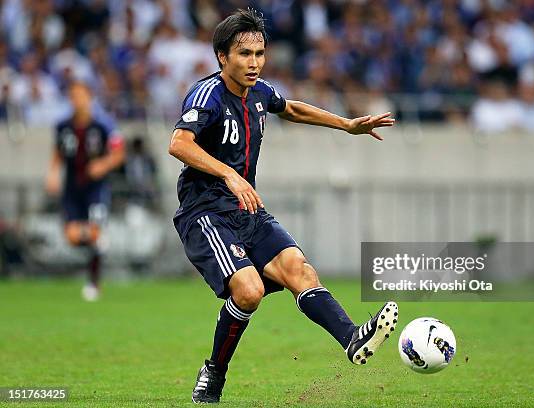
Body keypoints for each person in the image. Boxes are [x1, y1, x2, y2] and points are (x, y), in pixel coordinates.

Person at [168, 9, 397, 404]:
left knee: (299, 269)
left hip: (247, 210)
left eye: (260, 52)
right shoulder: (207, 94)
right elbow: (179, 143)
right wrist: (229, 174)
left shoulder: (259, 92)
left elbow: (290, 108)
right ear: (222, 57)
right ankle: (214, 373)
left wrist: (346, 125)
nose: (254, 62)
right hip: (205, 213)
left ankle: (351, 338)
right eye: (244, 54)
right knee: (249, 291)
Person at [45, 81, 125, 301]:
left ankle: (93, 282)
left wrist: (104, 164)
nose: (77, 100)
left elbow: (119, 153)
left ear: (89, 97)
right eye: (73, 96)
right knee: (72, 236)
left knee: (95, 230)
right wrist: (52, 174)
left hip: (95, 189)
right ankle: (97, 240)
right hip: (72, 187)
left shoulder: (104, 124)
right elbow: (58, 152)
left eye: (80, 95)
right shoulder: (63, 126)